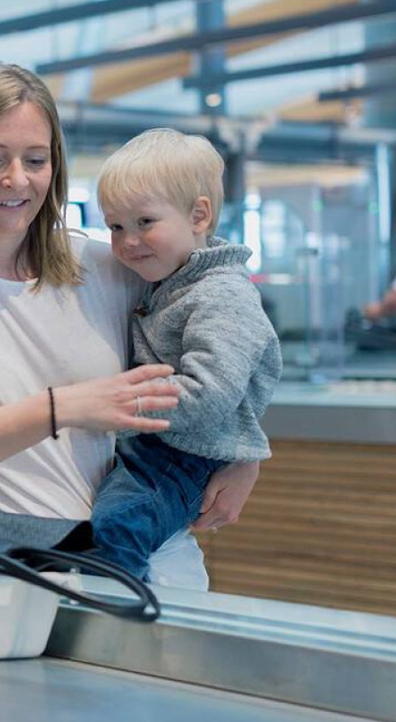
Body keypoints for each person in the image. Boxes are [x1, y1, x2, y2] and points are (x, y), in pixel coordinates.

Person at [0, 61, 260, 588]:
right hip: (25, 578)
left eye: (36, 159)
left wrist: (244, 455)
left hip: (161, 570)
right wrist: (60, 408)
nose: (17, 180)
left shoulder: (112, 265)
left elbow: (228, 336)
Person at [89, 128, 282, 579]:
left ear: (198, 216)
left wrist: (115, 404)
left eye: (145, 223)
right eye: (116, 226)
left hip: (184, 455)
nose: (128, 242)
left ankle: (123, 631)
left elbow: (208, 394)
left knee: (116, 529)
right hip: (159, 446)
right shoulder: (168, 279)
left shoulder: (221, 295)